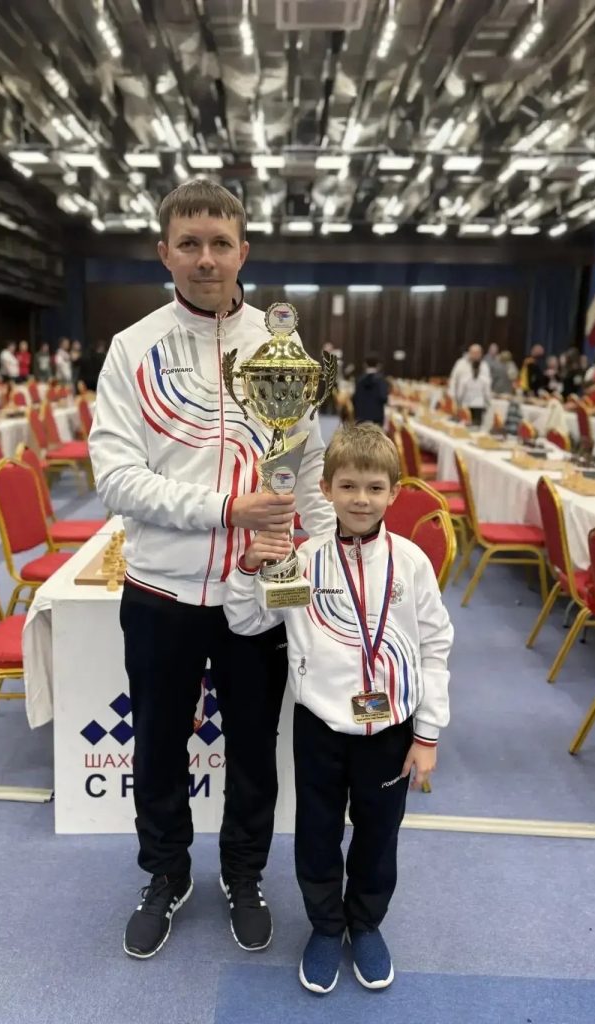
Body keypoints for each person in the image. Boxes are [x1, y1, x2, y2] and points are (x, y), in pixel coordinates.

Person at [88, 179, 335, 961]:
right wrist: (228, 510)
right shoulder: (133, 349)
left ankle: (243, 874)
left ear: (243, 252)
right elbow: (116, 479)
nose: (205, 259)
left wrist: (332, 561)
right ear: (164, 252)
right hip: (160, 591)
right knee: (158, 745)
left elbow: (310, 474)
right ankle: (166, 873)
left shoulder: (282, 349)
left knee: (255, 749)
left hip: (258, 591)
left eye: (220, 244)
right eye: (189, 243)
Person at [225, 423, 453, 994]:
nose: (361, 500)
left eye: (374, 488)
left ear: (394, 492)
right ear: (324, 489)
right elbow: (247, 622)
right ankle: (327, 926)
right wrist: (250, 567)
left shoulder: (410, 564)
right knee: (317, 832)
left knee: (379, 835)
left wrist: (427, 733)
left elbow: (435, 646)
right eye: (347, 486)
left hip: (390, 729)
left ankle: (366, 924)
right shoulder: (303, 562)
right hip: (321, 726)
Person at [448, 344, 491, 426]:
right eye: (473, 353)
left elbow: (487, 385)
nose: (475, 355)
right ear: (469, 353)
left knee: (476, 426)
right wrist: (452, 397)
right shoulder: (461, 363)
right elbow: (453, 380)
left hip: (478, 402)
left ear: (481, 354)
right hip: (463, 401)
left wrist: (487, 402)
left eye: (478, 353)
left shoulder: (484, 366)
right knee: (461, 425)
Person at [352, 354, 389, 426]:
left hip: (361, 416)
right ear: (378, 365)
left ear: (365, 365)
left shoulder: (359, 380)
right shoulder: (381, 381)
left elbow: (354, 398)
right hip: (376, 417)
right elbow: (384, 398)